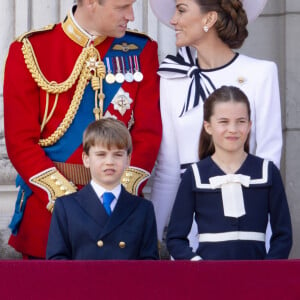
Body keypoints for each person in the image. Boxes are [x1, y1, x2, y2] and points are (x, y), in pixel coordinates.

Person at [3, 0, 162, 259]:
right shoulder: (30, 50)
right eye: (122, 7)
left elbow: (148, 134)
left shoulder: (141, 50)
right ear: (90, 3)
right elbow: (20, 142)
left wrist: (115, 197)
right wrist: (70, 204)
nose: (131, 16)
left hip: (118, 216)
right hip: (50, 217)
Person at [149, 0, 282, 248]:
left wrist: (265, 237)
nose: (173, 20)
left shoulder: (261, 73)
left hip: (246, 225)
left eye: (181, 10)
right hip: (190, 227)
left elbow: (269, 161)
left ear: (209, 19)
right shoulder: (171, 79)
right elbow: (168, 170)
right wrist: (150, 238)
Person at [166, 86, 292, 260]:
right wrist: (198, 265)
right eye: (223, 122)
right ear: (208, 126)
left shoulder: (268, 172)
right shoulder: (194, 175)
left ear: (249, 125)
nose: (233, 129)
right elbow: (175, 239)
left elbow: (283, 236)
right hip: (209, 279)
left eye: (241, 121)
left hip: (257, 280)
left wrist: (266, 271)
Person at [46, 118, 159, 260]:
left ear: (128, 160)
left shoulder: (143, 209)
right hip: (81, 282)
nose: (109, 162)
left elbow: (149, 266)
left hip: (127, 282)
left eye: (118, 155)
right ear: (86, 159)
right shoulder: (66, 207)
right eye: (101, 154)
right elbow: (57, 263)